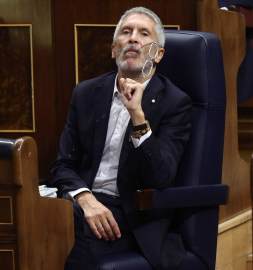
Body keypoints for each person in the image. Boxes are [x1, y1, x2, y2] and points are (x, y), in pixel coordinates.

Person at [49, 7, 192, 270]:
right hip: (82, 204)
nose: (133, 38)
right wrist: (85, 199)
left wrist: (137, 115)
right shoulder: (86, 93)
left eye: (143, 33)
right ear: (114, 50)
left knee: (58, 236)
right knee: (36, 219)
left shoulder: (175, 103)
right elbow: (63, 165)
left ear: (158, 54)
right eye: (126, 32)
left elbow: (160, 177)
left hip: (130, 215)